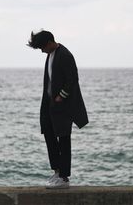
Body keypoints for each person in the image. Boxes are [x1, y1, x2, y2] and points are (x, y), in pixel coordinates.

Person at [27, 30, 89, 189]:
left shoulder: (65, 55)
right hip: (49, 105)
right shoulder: (50, 55)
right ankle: (57, 171)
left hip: (62, 106)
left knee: (64, 139)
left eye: (42, 47)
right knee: (49, 136)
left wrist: (61, 96)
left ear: (49, 42)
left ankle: (64, 177)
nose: (41, 51)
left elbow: (72, 79)